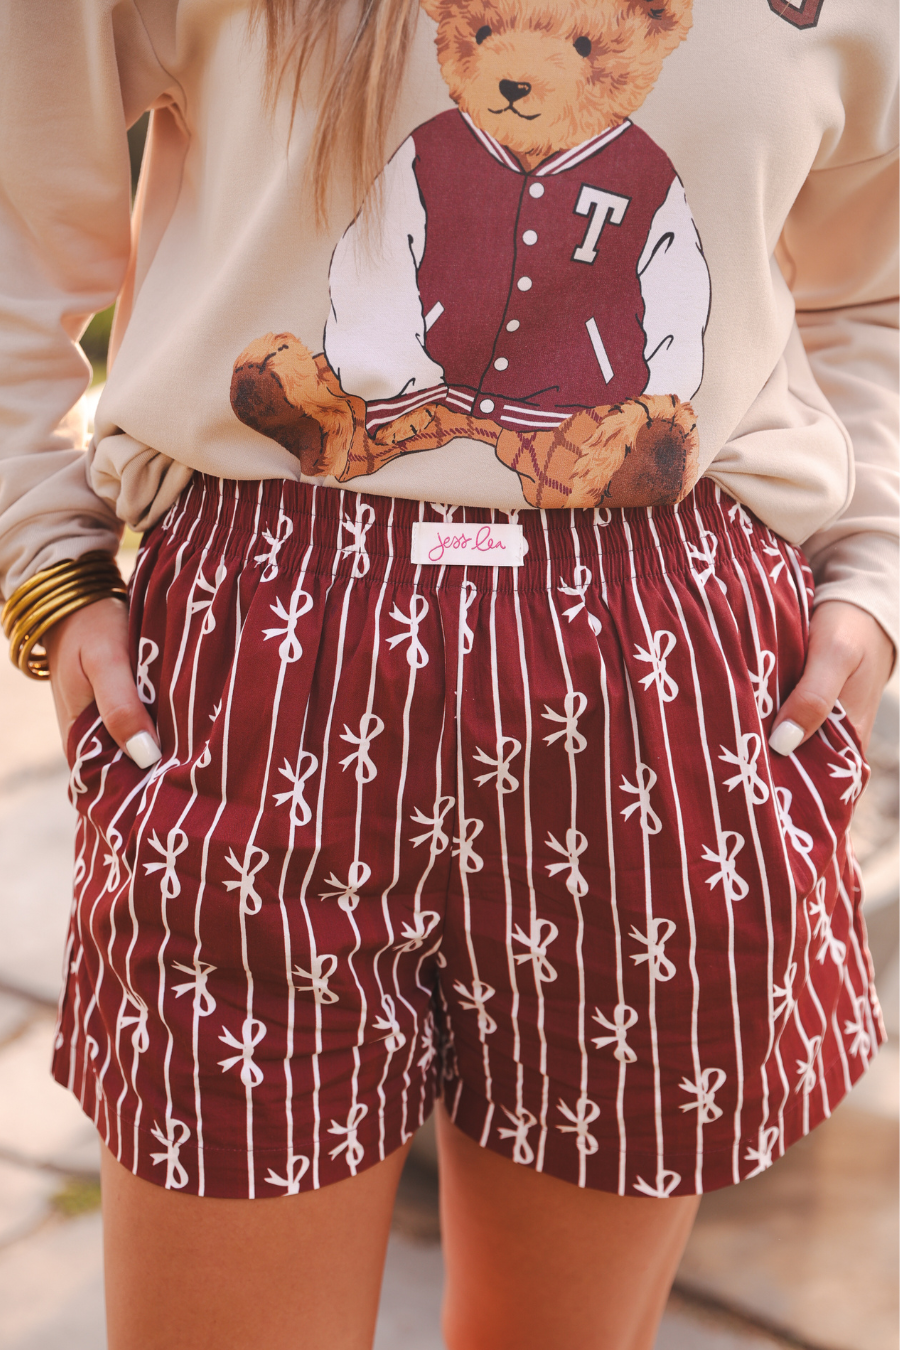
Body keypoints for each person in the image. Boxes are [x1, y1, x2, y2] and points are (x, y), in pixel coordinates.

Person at [0, 1, 896, 1346]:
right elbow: (16, 206)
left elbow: (869, 281)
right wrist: (45, 557)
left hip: (659, 678)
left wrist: (873, 569)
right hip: (268, 658)